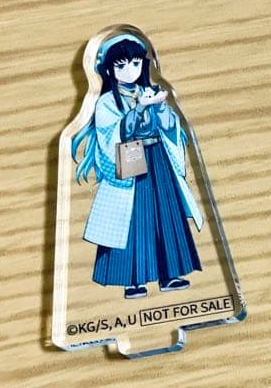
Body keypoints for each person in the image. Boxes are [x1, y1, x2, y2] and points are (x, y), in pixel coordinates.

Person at [71, 33, 203, 300]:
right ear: (110, 70)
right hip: (129, 160)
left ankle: (170, 274)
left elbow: (171, 127)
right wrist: (139, 110)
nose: (130, 70)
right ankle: (132, 280)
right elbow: (112, 134)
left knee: (165, 215)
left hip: (158, 160)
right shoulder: (107, 102)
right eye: (121, 65)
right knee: (130, 220)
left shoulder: (149, 92)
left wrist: (161, 109)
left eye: (135, 63)